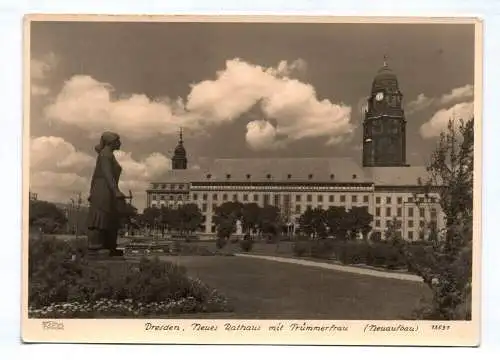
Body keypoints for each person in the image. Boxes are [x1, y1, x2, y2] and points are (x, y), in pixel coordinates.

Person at [86, 131, 126, 257]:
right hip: (103, 188)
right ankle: (95, 247)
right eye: (118, 140)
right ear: (111, 142)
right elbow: (107, 173)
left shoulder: (109, 155)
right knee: (101, 215)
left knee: (110, 217)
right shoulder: (105, 155)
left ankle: (109, 246)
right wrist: (115, 190)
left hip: (107, 188)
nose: (120, 143)